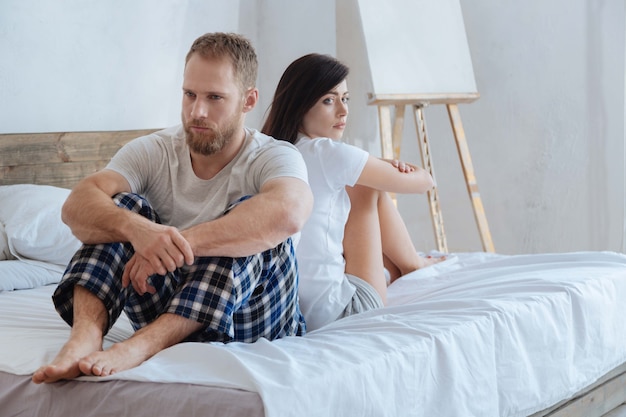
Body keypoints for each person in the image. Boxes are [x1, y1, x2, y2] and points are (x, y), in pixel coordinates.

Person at [32, 32, 313, 384]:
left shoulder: (273, 155)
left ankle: (144, 345)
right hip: (166, 306)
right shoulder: (154, 150)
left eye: (215, 98)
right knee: (120, 208)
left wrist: (171, 245)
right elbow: (76, 206)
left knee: (251, 219)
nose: (197, 111)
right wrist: (138, 231)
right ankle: (85, 335)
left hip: (253, 319)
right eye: (189, 95)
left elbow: (289, 212)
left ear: (248, 100)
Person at [262, 53, 441, 331]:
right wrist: (389, 166)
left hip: (297, 313)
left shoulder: (274, 153)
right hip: (347, 310)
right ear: (300, 105)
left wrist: (374, 165)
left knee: (348, 187)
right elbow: (424, 182)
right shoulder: (327, 152)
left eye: (345, 99)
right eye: (329, 100)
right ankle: (412, 265)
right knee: (366, 185)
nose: (343, 111)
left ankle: (398, 268)